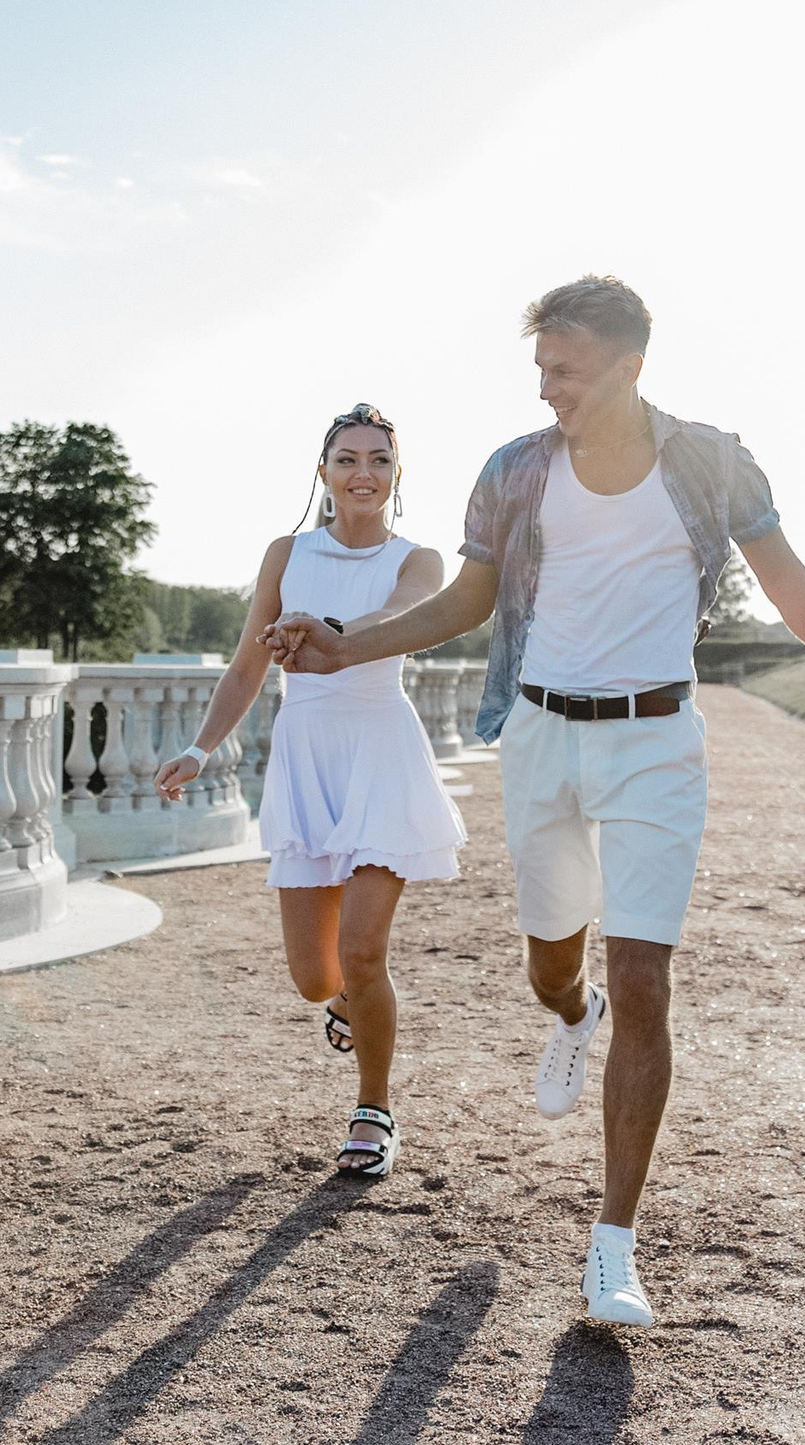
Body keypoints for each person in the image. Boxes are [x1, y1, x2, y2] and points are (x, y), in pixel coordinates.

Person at [267, 276, 805, 1325]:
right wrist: (343, 645)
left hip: (656, 742)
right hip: (542, 737)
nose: (548, 389)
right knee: (556, 965)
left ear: (629, 367)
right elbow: (468, 600)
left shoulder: (711, 463)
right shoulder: (515, 471)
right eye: (541, 368)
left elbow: (781, 573)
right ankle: (570, 1009)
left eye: (567, 371)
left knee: (645, 978)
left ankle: (613, 1248)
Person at [155, 403, 466, 1177]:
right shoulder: (286, 552)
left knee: (364, 948)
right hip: (306, 756)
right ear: (323, 471)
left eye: (380, 460)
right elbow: (245, 666)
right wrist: (199, 748)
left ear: (398, 474)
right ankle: (346, 1005)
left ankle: (374, 1109)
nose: (365, 473)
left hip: (380, 753)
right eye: (349, 459)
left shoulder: (418, 561)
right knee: (316, 976)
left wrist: (319, 626)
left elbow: (390, 620)